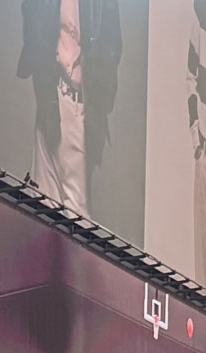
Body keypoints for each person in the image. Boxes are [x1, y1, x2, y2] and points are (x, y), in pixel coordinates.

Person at [18, 0, 121, 216]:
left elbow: (111, 45)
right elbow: (35, 23)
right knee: (44, 199)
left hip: (79, 104)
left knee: (76, 210)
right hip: (51, 94)